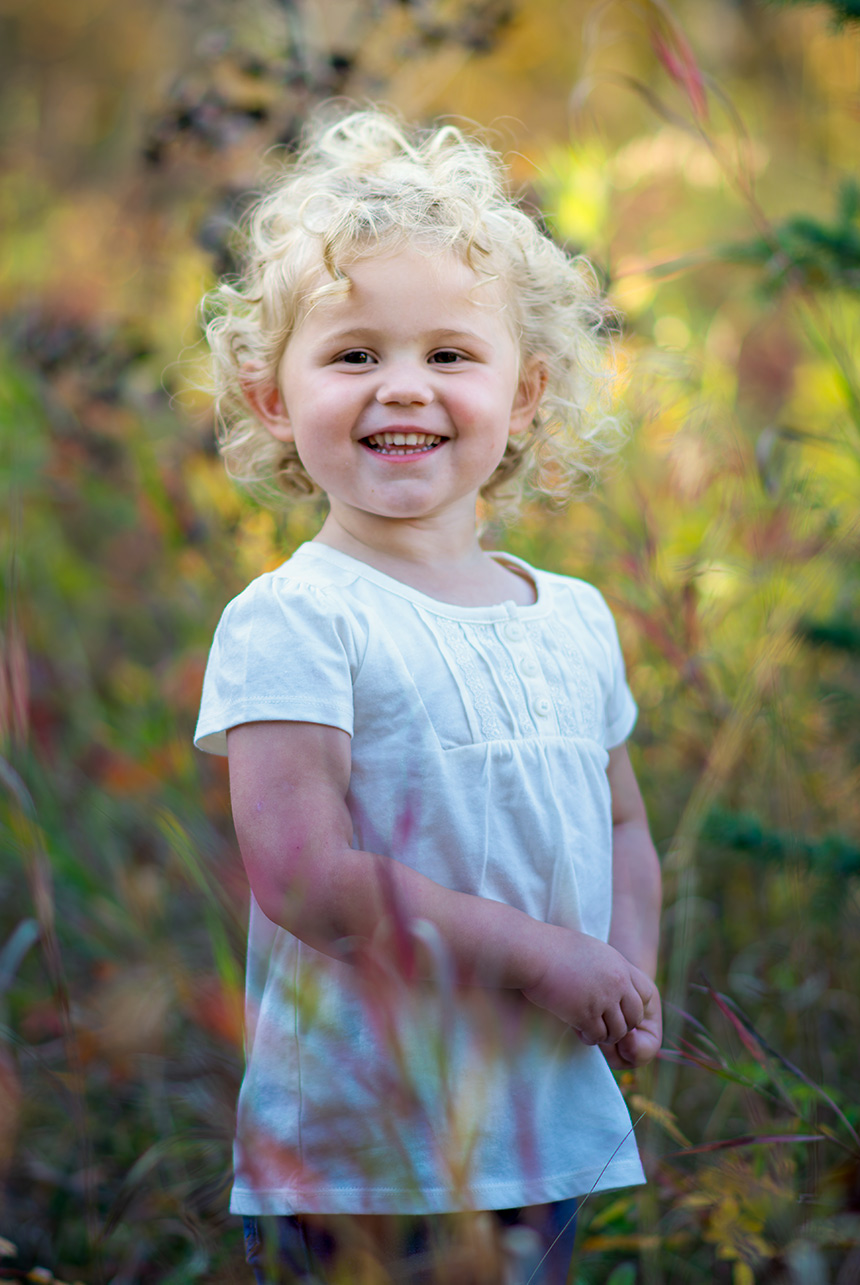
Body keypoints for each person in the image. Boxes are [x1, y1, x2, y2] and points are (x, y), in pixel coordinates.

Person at [194, 107, 662, 1284]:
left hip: (541, 1133)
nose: (401, 388)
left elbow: (620, 822)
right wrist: (541, 955)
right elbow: (306, 877)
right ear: (269, 399)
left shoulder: (573, 616)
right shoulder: (295, 619)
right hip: (361, 1158)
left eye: (448, 355)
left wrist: (622, 974)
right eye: (353, 355)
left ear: (525, 393)